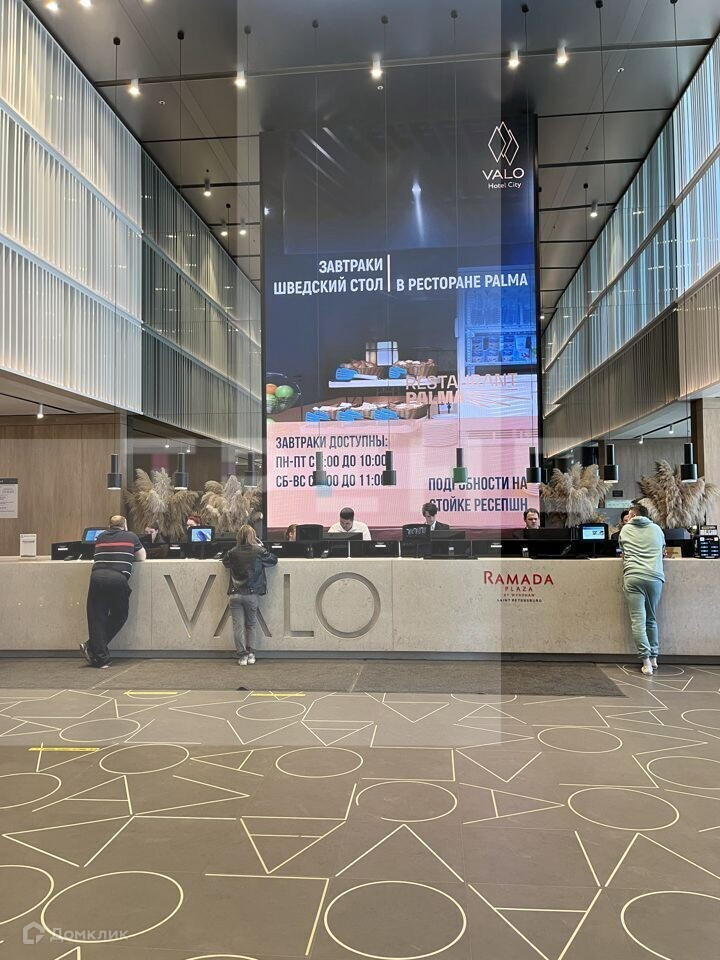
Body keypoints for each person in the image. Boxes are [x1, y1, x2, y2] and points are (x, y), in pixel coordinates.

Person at [81, 515, 146, 669]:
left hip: (97, 577)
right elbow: (142, 557)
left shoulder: (100, 537)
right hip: (118, 578)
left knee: (97, 618)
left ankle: (100, 657)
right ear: (125, 525)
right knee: (120, 615)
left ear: (108, 526)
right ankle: (92, 647)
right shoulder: (131, 536)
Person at [618, 503, 666, 676]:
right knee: (651, 619)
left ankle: (646, 662)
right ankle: (654, 658)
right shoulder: (657, 530)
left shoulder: (625, 530)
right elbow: (662, 551)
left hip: (634, 577)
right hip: (655, 577)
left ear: (632, 515)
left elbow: (623, 552)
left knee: (638, 620)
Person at [223, 524, 278, 665]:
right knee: (251, 624)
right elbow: (273, 560)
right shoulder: (258, 551)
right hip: (251, 594)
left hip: (235, 594)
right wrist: (261, 545)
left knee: (238, 627)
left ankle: (242, 656)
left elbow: (225, 562)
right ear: (253, 536)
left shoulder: (232, 552)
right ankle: (251, 654)